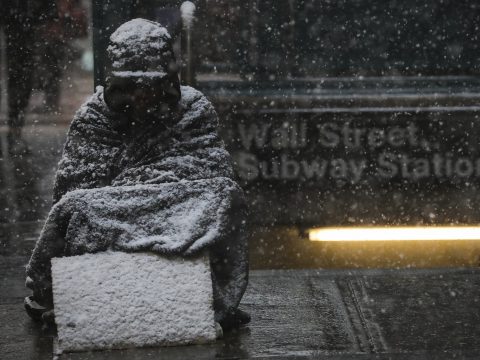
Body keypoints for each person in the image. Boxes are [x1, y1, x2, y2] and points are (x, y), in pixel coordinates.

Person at [24, 18, 250, 331]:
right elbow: (75, 199)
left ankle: (193, 289)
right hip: (120, 236)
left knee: (224, 197)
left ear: (168, 80)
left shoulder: (193, 109)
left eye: (151, 85)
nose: (142, 96)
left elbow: (210, 178)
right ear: (116, 81)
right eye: (132, 86)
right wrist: (154, 192)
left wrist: (129, 192)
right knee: (78, 210)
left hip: (179, 224)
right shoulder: (93, 118)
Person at [1, 1, 57, 154]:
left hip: (22, 25)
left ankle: (15, 133)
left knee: (20, 80)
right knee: (20, 80)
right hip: (22, 24)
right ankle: (15, 133)